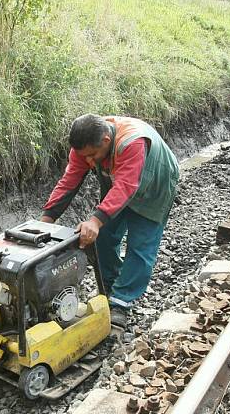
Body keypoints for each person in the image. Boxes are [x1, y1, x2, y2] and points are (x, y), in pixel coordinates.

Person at [41, 114, 179, 329]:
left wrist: (95, 220)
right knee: (104, 237)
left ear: (106, 141)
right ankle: (111, 285)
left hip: (155, 186)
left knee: (141, 246)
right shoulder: (86, 147)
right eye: (84, 156)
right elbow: (69, 181)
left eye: (92, 155)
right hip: (118, 181)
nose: (88, 161)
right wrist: (46, 220)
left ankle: (122, 302)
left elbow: (126, 185)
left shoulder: (131, 142)